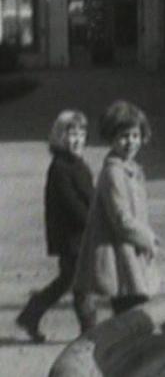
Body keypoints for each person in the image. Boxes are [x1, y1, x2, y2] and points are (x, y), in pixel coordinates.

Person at [73, 101, 160, 322]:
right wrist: (148, 239)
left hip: (131, 252)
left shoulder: (130, 168)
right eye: (123, 136)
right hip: (119, 257)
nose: (130, 142)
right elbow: (121, 219)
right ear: (111, 137)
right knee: (131, 314)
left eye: (135, 135)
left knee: (132, 312)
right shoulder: (114, 172)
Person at [15, 111, 97, 342]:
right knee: (82, 285)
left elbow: (90, 196)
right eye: (71, 134)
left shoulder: (78, 164)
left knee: (67, 281)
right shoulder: (60, 167)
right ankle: (89, 332)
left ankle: (31, 314)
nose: (77, 139)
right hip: (71, 237)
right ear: (59, 137)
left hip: (81, 235)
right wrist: (93, 221)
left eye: (81, 134)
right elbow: (71, 204)